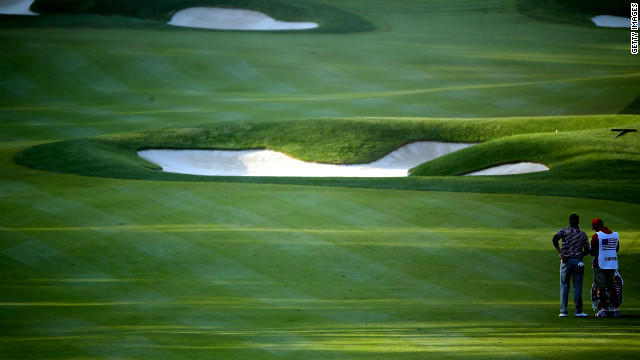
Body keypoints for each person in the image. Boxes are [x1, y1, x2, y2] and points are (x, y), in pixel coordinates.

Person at [552, 214, 590, 317]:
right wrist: (579, 255)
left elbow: (555, 239)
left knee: (564, 286)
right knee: (577, 286)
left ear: (569, 222)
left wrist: (560, 253)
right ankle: (578, 311)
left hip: (565, 261)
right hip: (578, 262)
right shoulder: (582, 234)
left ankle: (563, 311)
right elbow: (587, 250)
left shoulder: (564, 231)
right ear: (578, 222)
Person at [590, 218, 620, 317]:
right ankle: (616, 309)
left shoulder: (596, 236)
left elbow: (593, 252)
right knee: (612, 287)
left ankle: (603, 309)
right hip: (611, 263)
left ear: (596, 227)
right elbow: (617, 248)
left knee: (601, 287)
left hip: (600, 264)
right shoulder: (615, 235)